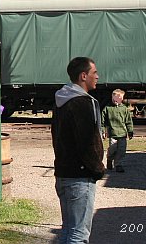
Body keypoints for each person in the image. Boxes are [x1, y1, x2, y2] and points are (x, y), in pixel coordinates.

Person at [52, 56, 105, 244]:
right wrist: (97, 168)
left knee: (67, 231)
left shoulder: (62, 100)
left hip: (64, 174)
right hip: (80, 178)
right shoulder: (81, 103)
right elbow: (87, 142)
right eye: (94, 73)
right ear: (84, 76)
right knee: (79, 234)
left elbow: (56, 137)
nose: (97, 77)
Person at [101, 89, 134, 173]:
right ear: (112, 97)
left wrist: (130, 131)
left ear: (122, 99)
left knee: (121, 150)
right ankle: (109, 159)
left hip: (122, 134)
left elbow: (128, 121)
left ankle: (118, 164)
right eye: (115, 98)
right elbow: (102, 121)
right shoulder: (107, 108)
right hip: (112, 133)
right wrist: (103, 131)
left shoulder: (124, 109)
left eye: (119, 98)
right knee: (112, 149)